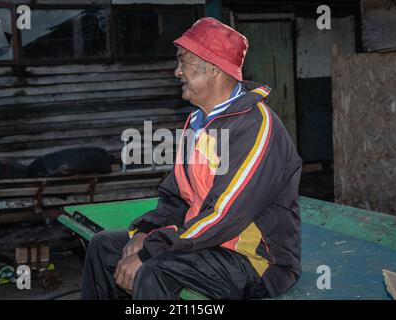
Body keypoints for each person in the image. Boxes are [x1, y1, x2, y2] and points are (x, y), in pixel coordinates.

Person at [81, 17, 302, 300]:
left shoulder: (256, 126)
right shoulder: (197, 122)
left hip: (255, 260)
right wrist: (145, 232)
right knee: (104, 247)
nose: (176, 72)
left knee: (154, 268)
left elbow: (225, 215)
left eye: (183, 62)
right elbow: (176, 197)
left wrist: (152, 248)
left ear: (212, 68)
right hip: (206, 243)